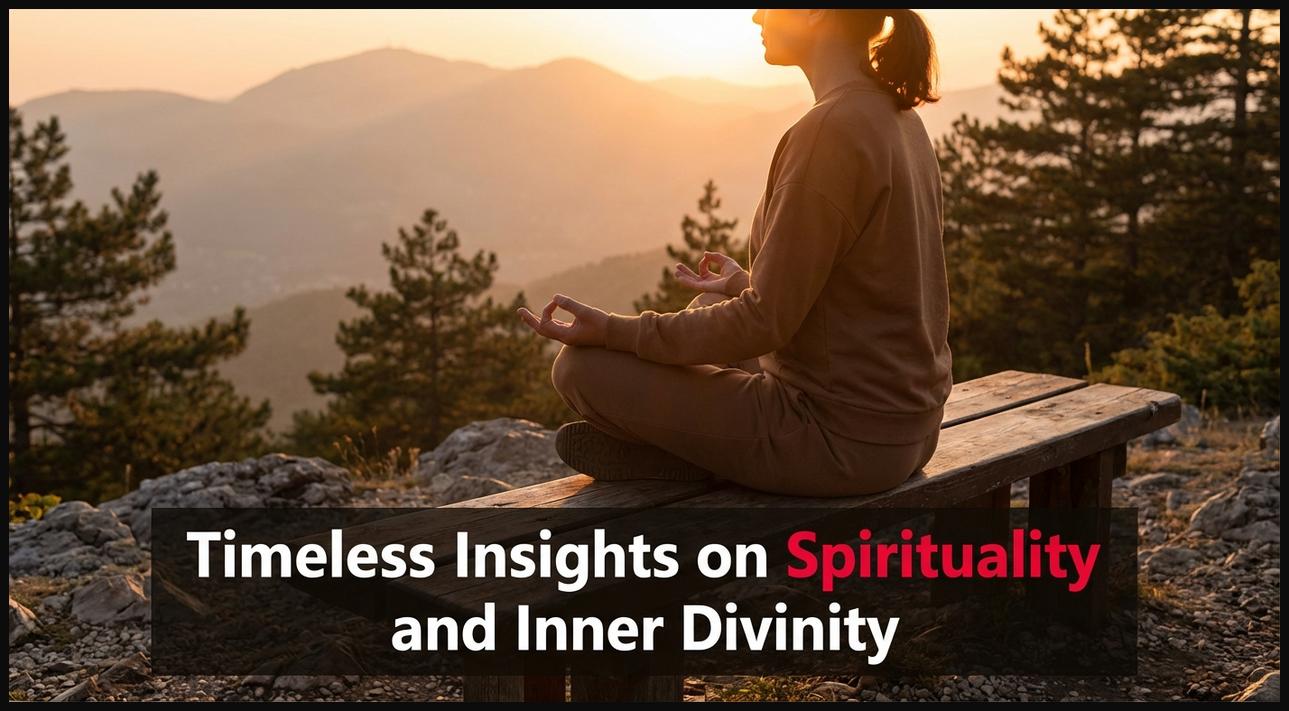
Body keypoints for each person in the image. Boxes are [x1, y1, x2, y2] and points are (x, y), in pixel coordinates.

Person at [518, 9, 952, 497]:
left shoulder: (829, 131)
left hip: (839, 441)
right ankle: (695, 445)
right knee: (707, 309)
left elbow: (762, 324)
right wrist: (747, 284)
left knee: (580, 369)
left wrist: (614, 331)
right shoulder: (896, 115)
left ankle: (686, 455)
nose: (755, 16)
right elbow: (871, 294)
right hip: (908, 427)